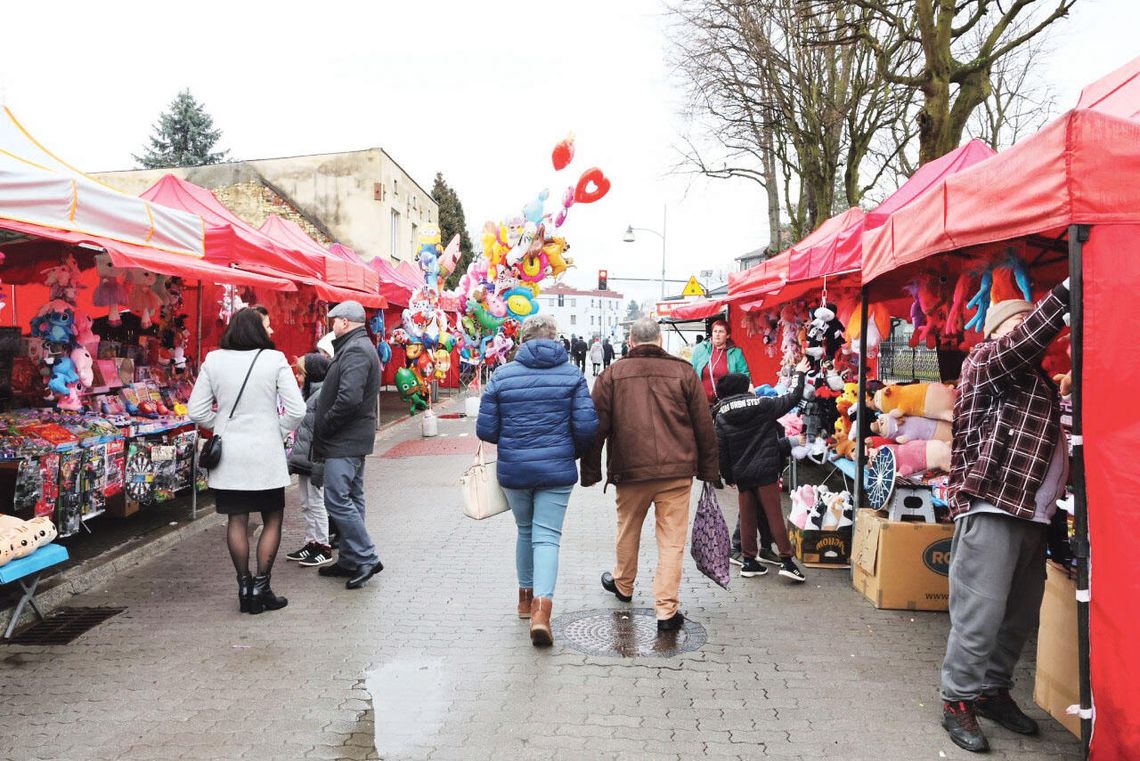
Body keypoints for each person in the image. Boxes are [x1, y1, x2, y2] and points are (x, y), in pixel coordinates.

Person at [939, 280, 1071, 754]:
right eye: (1019, 323)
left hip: (1034, 514)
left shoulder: (1037, 381)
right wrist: (1065, 295)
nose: (1030, 333)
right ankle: (956, 701)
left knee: (1017, 614)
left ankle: (992, 691)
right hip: (993, 503)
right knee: (981, 612)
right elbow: (1020, 343)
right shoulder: (987, 360)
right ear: (999, 330)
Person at [582, 318, 720, 632]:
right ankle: (667, 611)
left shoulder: (612, 374)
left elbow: (596, 427)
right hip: (676, 471)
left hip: (631, 471)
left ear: (630, 342)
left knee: (627, 529)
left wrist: (590, 471)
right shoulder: (684, 372)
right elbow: (704, 426)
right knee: (672, 542)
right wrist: (710, 471)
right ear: (660, 341)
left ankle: (623, 585)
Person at [476, 315, 598, 646]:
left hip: (514, 470)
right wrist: (567, 451)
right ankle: (542, 612)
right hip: (556, 470)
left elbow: (485, 430)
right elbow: (588, 427)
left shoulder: (502, 375)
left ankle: (524, 599)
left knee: (525, 531)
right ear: (555, 338)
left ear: (523, 340)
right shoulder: (573, 375)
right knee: (547, 537)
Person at [187, 308, 305, 614]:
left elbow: (196, 411)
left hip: (230, 455)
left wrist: (222, 424)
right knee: (272, 518)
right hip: (265, 453)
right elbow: (297, 410)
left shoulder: (214, 360)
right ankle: (261, 587)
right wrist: (275, 430)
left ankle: (244, 586)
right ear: (259, 331)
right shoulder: (275, 359)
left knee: (236, 520)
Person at [312, 301, 384, 590]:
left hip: (344, 438)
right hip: (351, 437)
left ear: (345, 322)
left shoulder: (354, 349)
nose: (332, 326)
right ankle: (351, 558)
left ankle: (366, 556)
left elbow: (349, 398)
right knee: (351, 497)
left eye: (334, 321)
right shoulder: (358, 346)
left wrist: (327, 422)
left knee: (337, 499)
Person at [713, 367, 809, 582]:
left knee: (747, 517)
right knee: (774, 514)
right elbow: (792, 397)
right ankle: (787, 561)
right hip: (766, 470)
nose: (752, 387)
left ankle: (749, 561)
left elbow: (721, 449)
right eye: (748, 384)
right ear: (741, 387)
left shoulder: (721, 414)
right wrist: (799, 375)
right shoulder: (763, 404)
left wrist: (728, 476)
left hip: (742, 473)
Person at [285, 353, 335, 568]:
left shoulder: (321, 395)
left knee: (316, 502)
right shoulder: (310, 394)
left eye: (301, 373)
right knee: (307, 502)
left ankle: (323, 546)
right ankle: (311, 541)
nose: (299, 377)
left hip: (315, 457)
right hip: (306, 457)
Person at [691, 320, 750, 406]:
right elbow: (691, 372)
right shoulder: (700, 349)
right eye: (715, 331)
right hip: (701, 402)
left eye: (721, 331)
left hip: (726, 402)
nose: (717, 334)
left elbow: (745, 376)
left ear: (728, 335)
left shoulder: (737, 353)